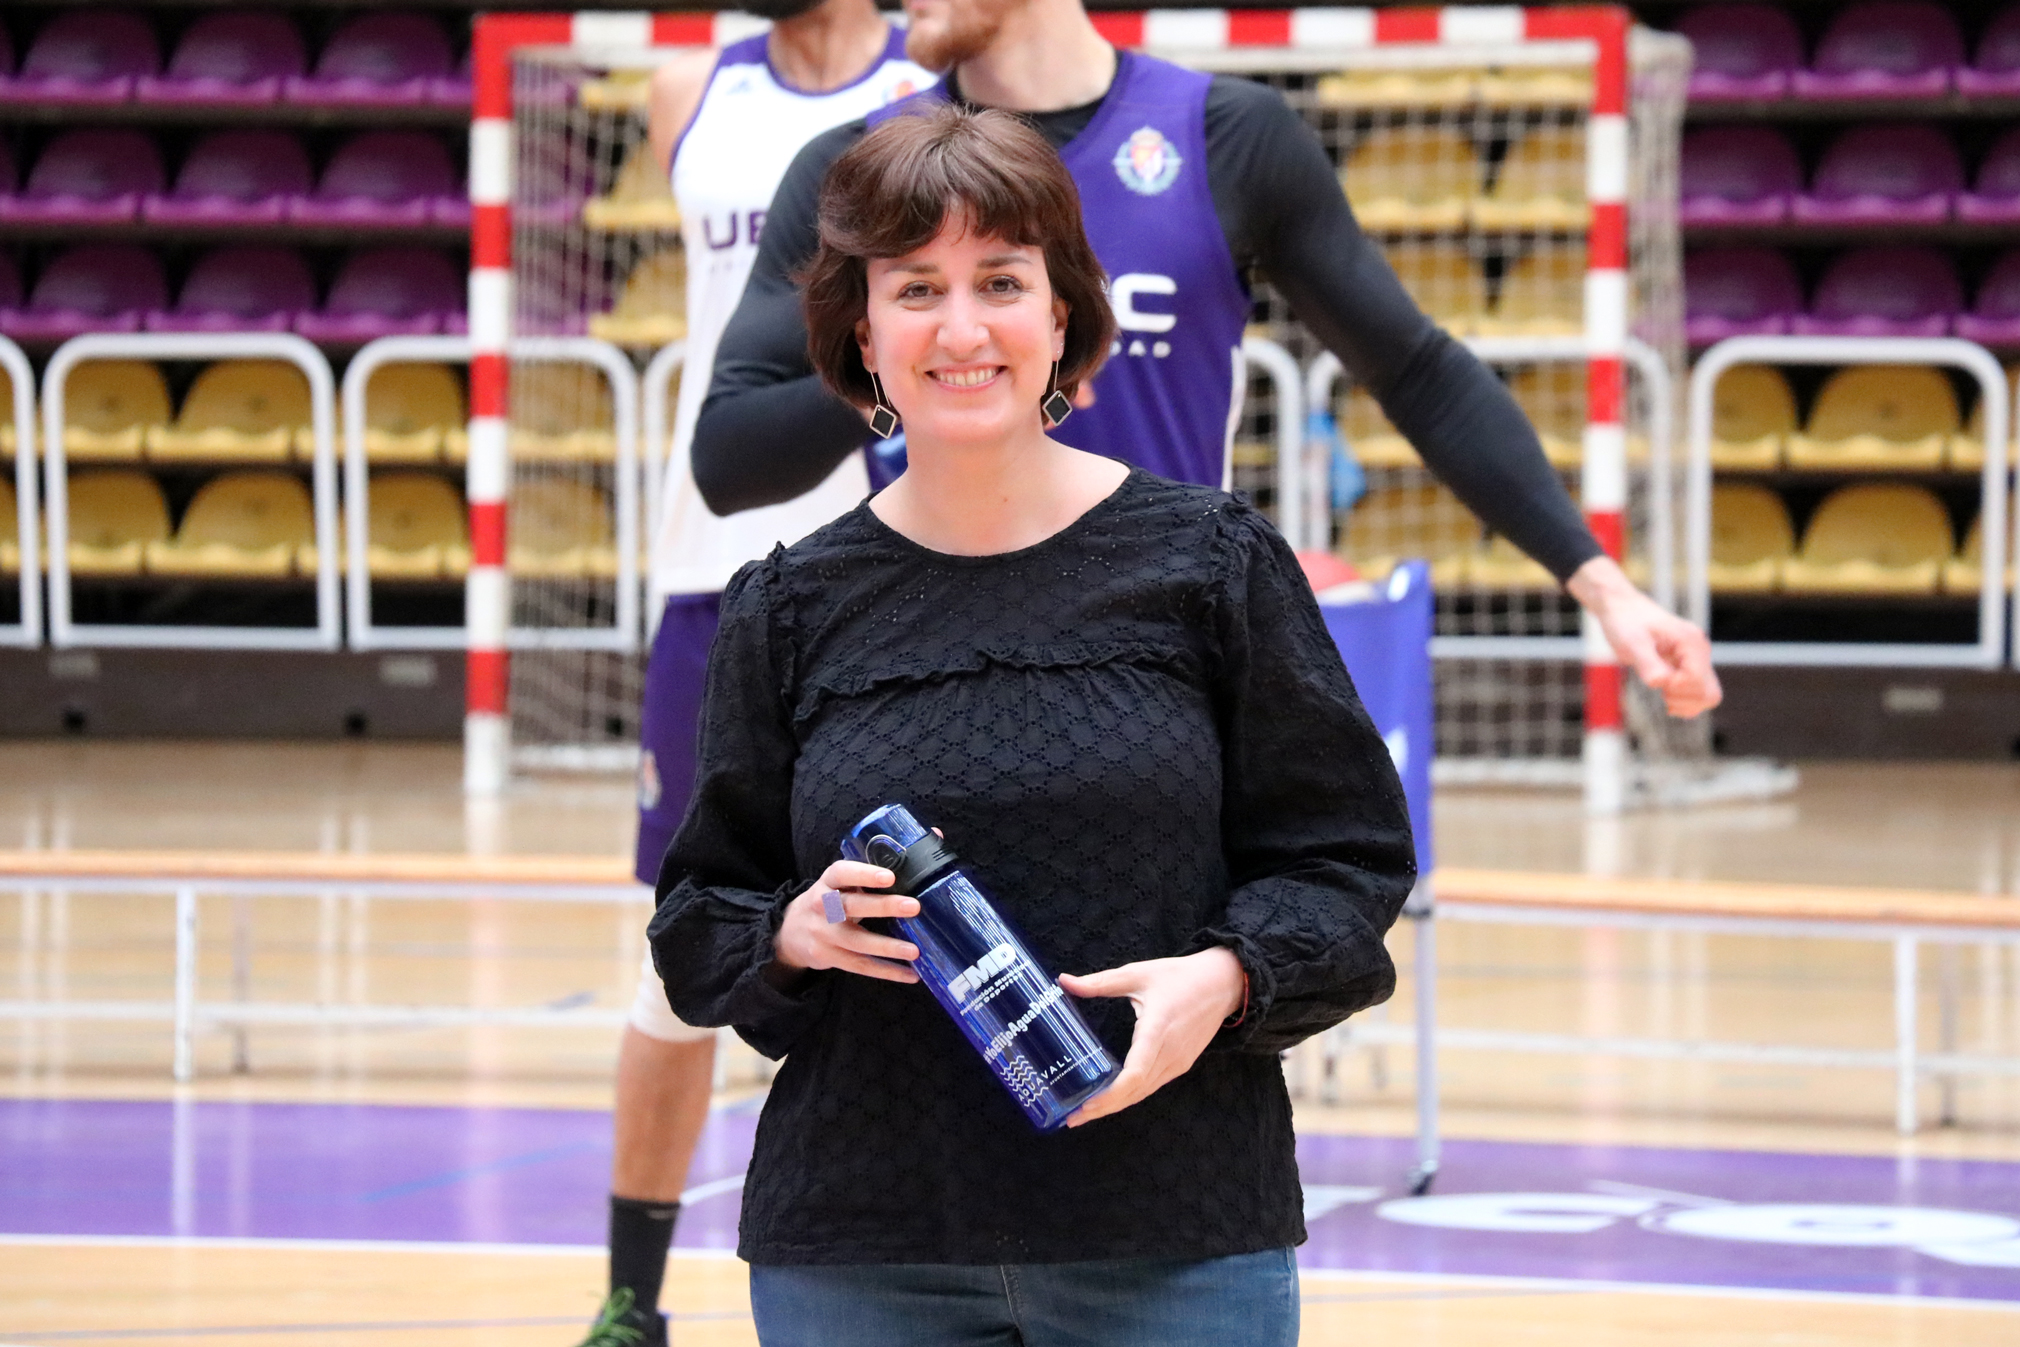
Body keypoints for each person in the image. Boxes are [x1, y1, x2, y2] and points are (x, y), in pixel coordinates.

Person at [650, 104, 1417, 1347]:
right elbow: (698, 918)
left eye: (1000, 282)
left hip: (1175, 1231)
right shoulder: (785, 607)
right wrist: (791, 933)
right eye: (916, 289)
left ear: (1061, 318)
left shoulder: (1211, 563)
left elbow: (1349, 863)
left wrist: (1227, 977)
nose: (961, 329)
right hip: (863, 1248)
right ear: (863, 333)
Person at [692, 0, 1722, 721]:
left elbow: (1417, 372)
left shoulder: (1226, 134)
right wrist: (925, 367)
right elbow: (727, 457)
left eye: (1002, 288)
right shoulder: (858, 168)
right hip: (924, 660)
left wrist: (1605, 588)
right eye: (925, 289)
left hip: (1162, 664)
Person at [582, 3, 933, 1343]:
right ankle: (631, 1303)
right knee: (677, 963)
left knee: (917, 931)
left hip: (885, 561)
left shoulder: (931, 80)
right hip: (708, 562)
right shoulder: (689, 89)